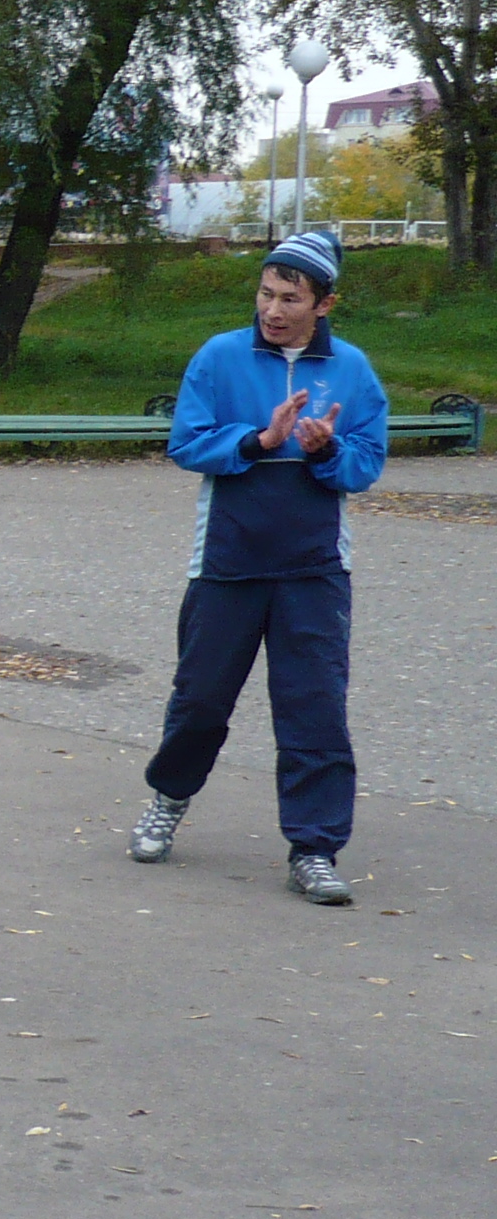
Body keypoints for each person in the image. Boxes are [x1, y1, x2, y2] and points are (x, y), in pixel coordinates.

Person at [130, 229, 387, 904]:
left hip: (314, 569)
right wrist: (260, 439)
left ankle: (315, 849)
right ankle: (169, 798)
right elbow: (186, 443)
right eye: (266, 294)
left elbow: (365, 466)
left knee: (314, 710)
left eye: (290, 299)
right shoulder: (219, 357)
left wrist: (326, 450)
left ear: (324, 304)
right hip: (227, 562)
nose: (273, 310)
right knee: (200, 702)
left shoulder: (353, 370)